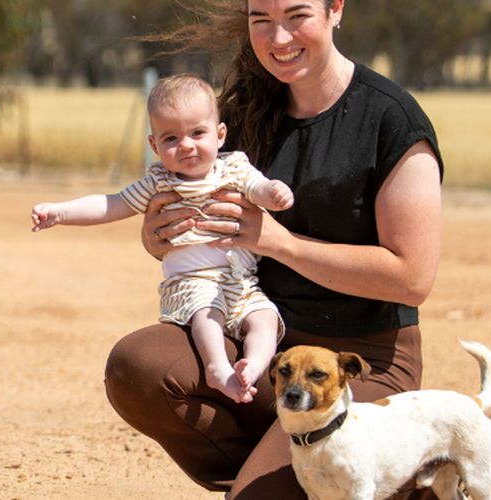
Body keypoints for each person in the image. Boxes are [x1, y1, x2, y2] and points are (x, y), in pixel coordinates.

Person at [103, 0, 444, 499]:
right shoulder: (238, 115)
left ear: (335, 10)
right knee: (138, 366)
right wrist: (159, 235)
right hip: (264, 343)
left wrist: (279, 242)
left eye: (297, 16)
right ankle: (288, 472)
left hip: (356, 362)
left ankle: (386, 477)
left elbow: (412, 277)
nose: (278, 38)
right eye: (261, 19)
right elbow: (200, 215)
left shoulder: (390, 120)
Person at [30, 74, 294, 404]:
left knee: (265, 319)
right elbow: (112, 204)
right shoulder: (159, 183)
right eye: (171, 138)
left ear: (220, 134)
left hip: (242, 283)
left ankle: (252, 368)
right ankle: (217, 369)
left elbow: (259, 188)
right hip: (192, 283)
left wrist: (274, 192)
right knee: (206, 314)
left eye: (198, 133)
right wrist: (59, 212)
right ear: (154, 146)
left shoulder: (236, 169)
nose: (186, 145)